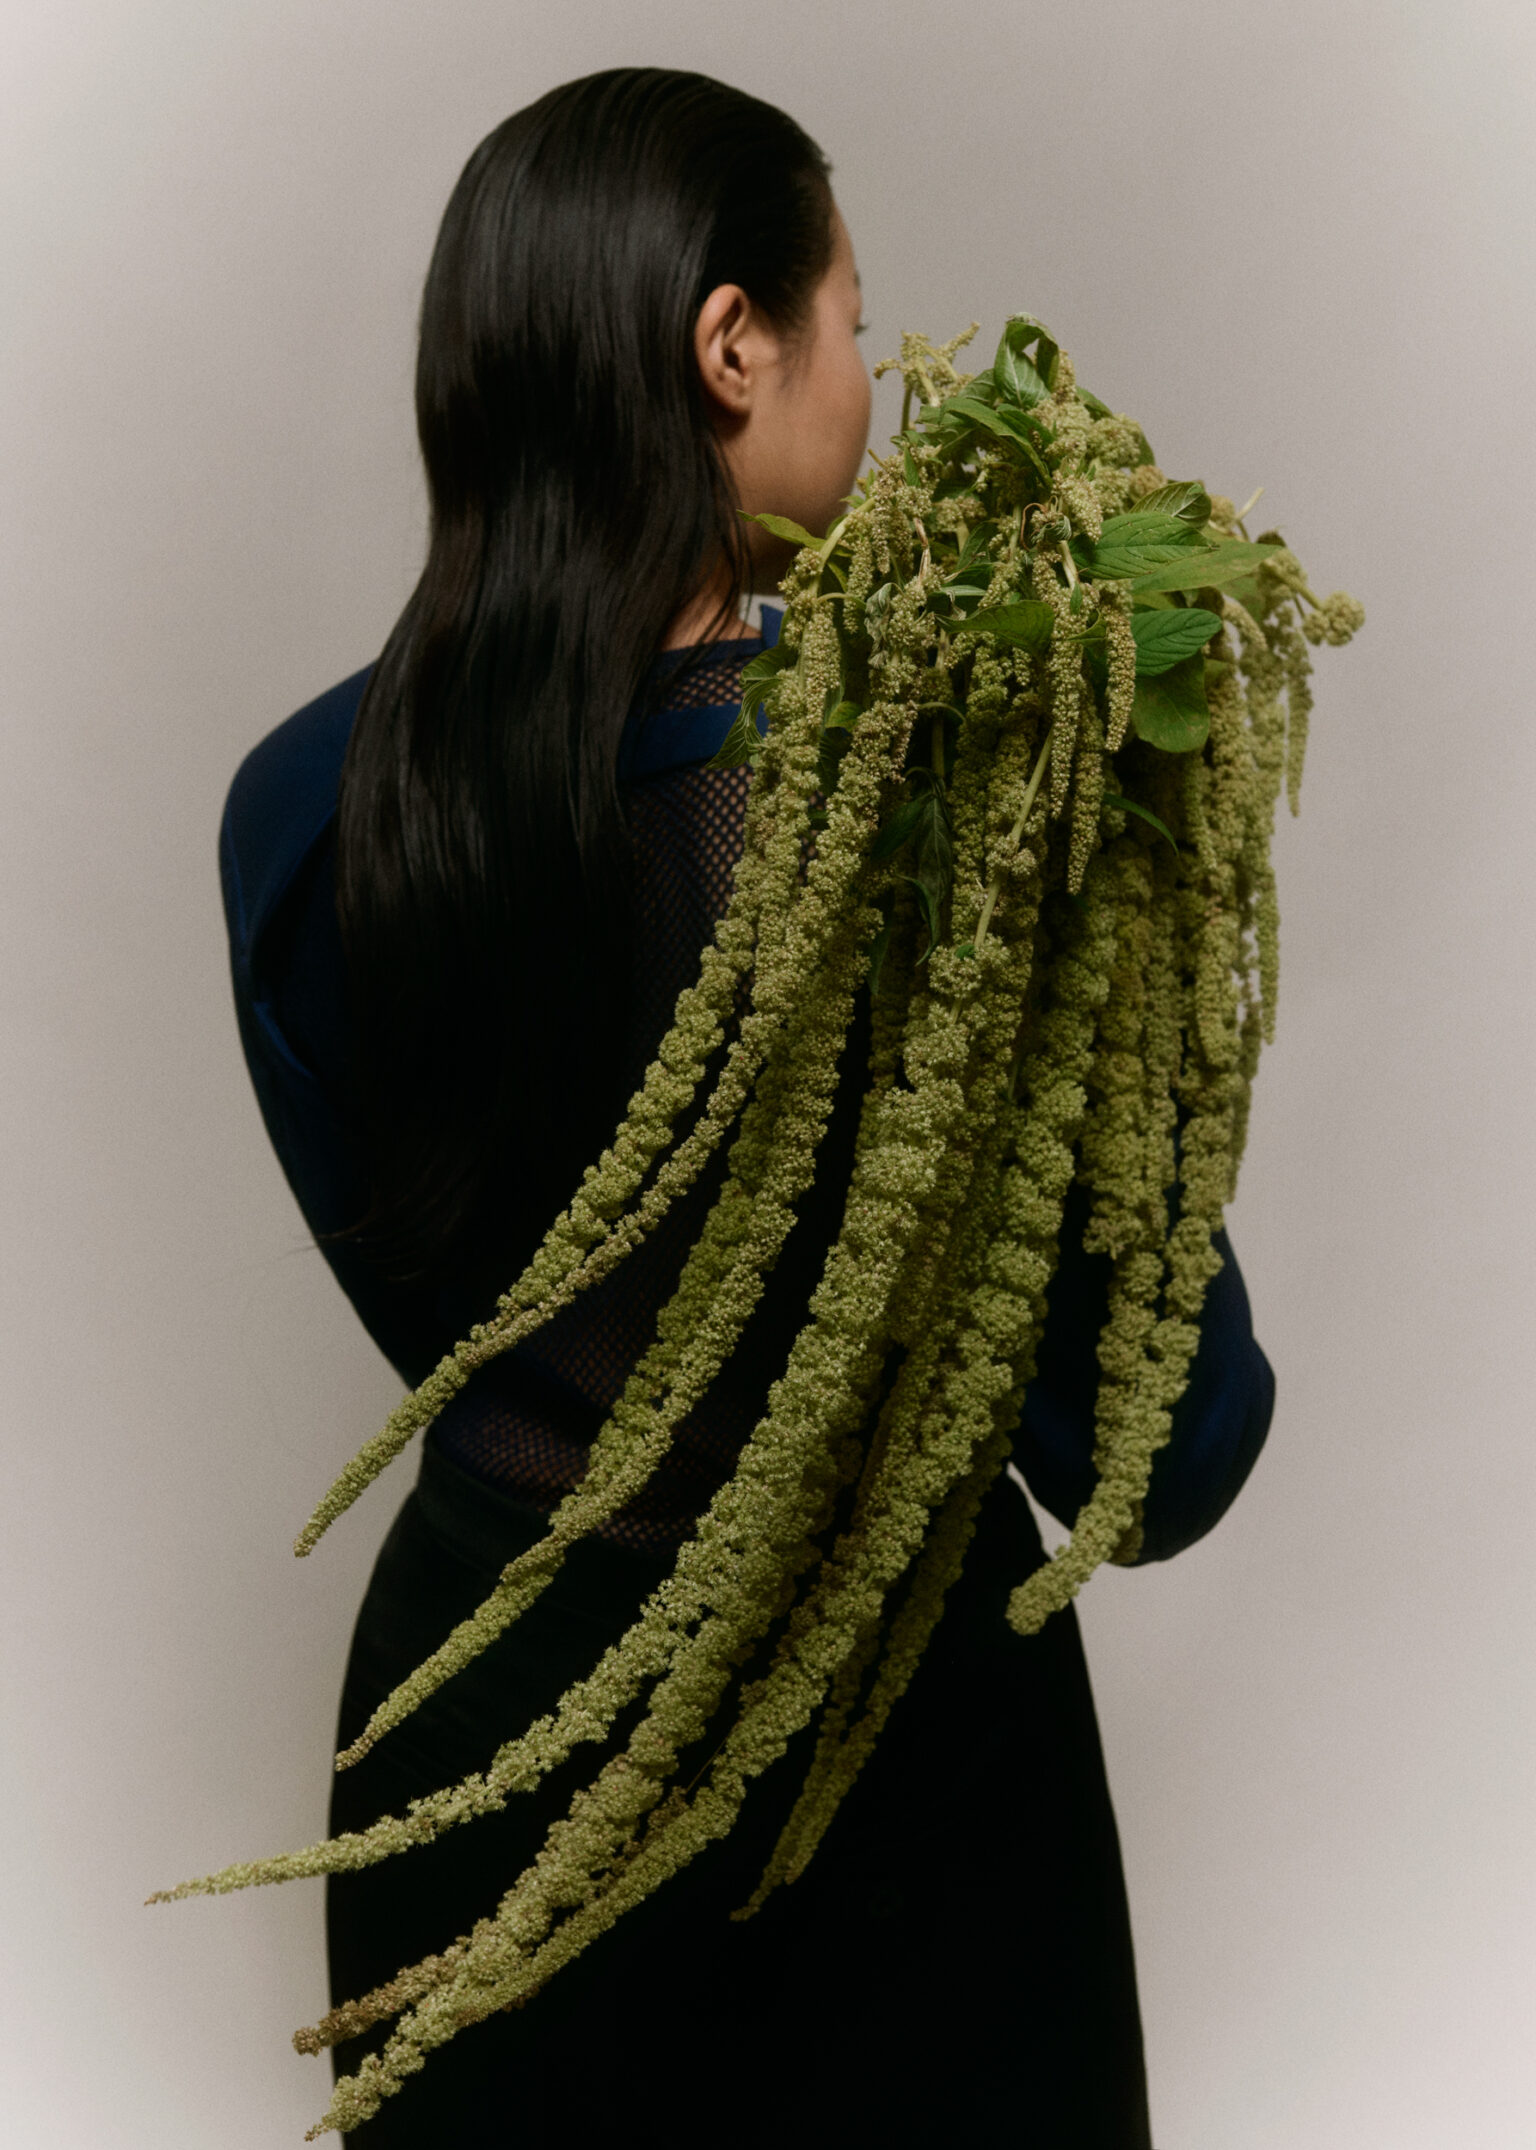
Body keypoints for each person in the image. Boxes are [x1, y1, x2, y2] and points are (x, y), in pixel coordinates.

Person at [219, 67, 1274, 2148]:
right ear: (733, 345)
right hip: (896, 1774)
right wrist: (1131, 899)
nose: (875, 376)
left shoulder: (297, 816)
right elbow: (1173, 1448)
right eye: (855, 319)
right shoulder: (946, 812)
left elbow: (452, 1303)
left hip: (485, 1747)